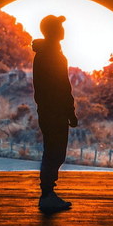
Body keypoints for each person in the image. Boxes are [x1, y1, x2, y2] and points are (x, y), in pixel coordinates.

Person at [32, 15, 78, 211]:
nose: (63, 29)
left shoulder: (46, 53)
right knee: (54, 153)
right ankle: (47, 195)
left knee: (53, 153)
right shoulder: (52, 55)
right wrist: (69, 112)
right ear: (52, 30)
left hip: (49, 111)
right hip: (54, 112)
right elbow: (62, 87)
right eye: (59, 26)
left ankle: (48, 193)